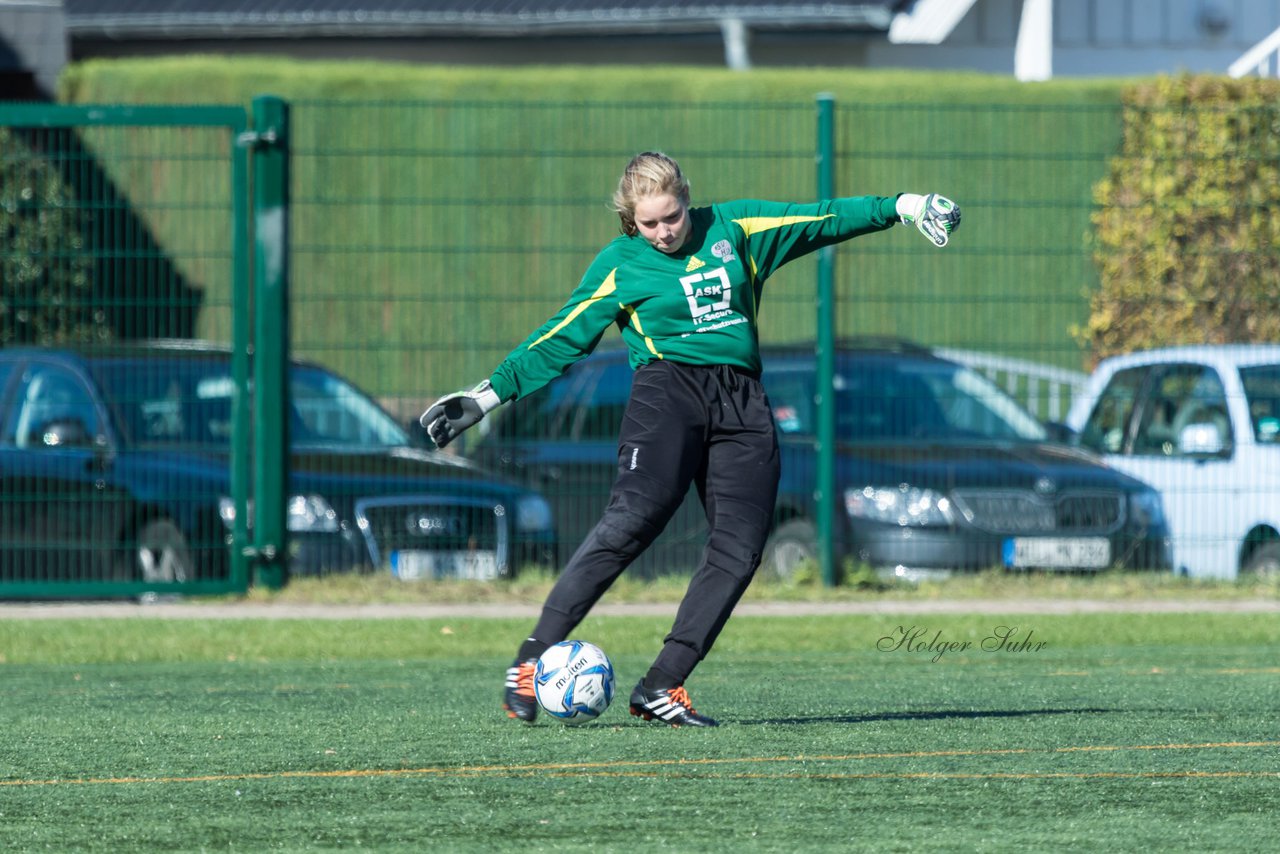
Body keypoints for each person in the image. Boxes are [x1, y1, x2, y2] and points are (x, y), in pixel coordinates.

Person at [421, 152, 960, 727]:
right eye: (648, 223)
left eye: (671, 217)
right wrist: (484, 397)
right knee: (631, 521)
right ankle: (529, 663)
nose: (663, 233)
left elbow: (821, 218)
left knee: (740, 548)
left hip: (743, 403)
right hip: (666, 395)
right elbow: (560, 338)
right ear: (631, 220)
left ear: (686, 201)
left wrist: (902, 207)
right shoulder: (621, 263)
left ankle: (662, 685)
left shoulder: (735, 230)